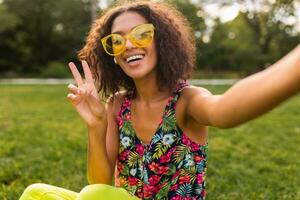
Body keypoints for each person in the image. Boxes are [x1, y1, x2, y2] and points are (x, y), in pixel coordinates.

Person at [19, 1, 300, 200]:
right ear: (112, 56)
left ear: (162, 41)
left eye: (142, 34)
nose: (128, 44)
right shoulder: (117, 104)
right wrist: (96, 126)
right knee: (36, 193)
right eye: (116, 41)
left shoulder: (186, 100)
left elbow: (226, 109)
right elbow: (101, 181)